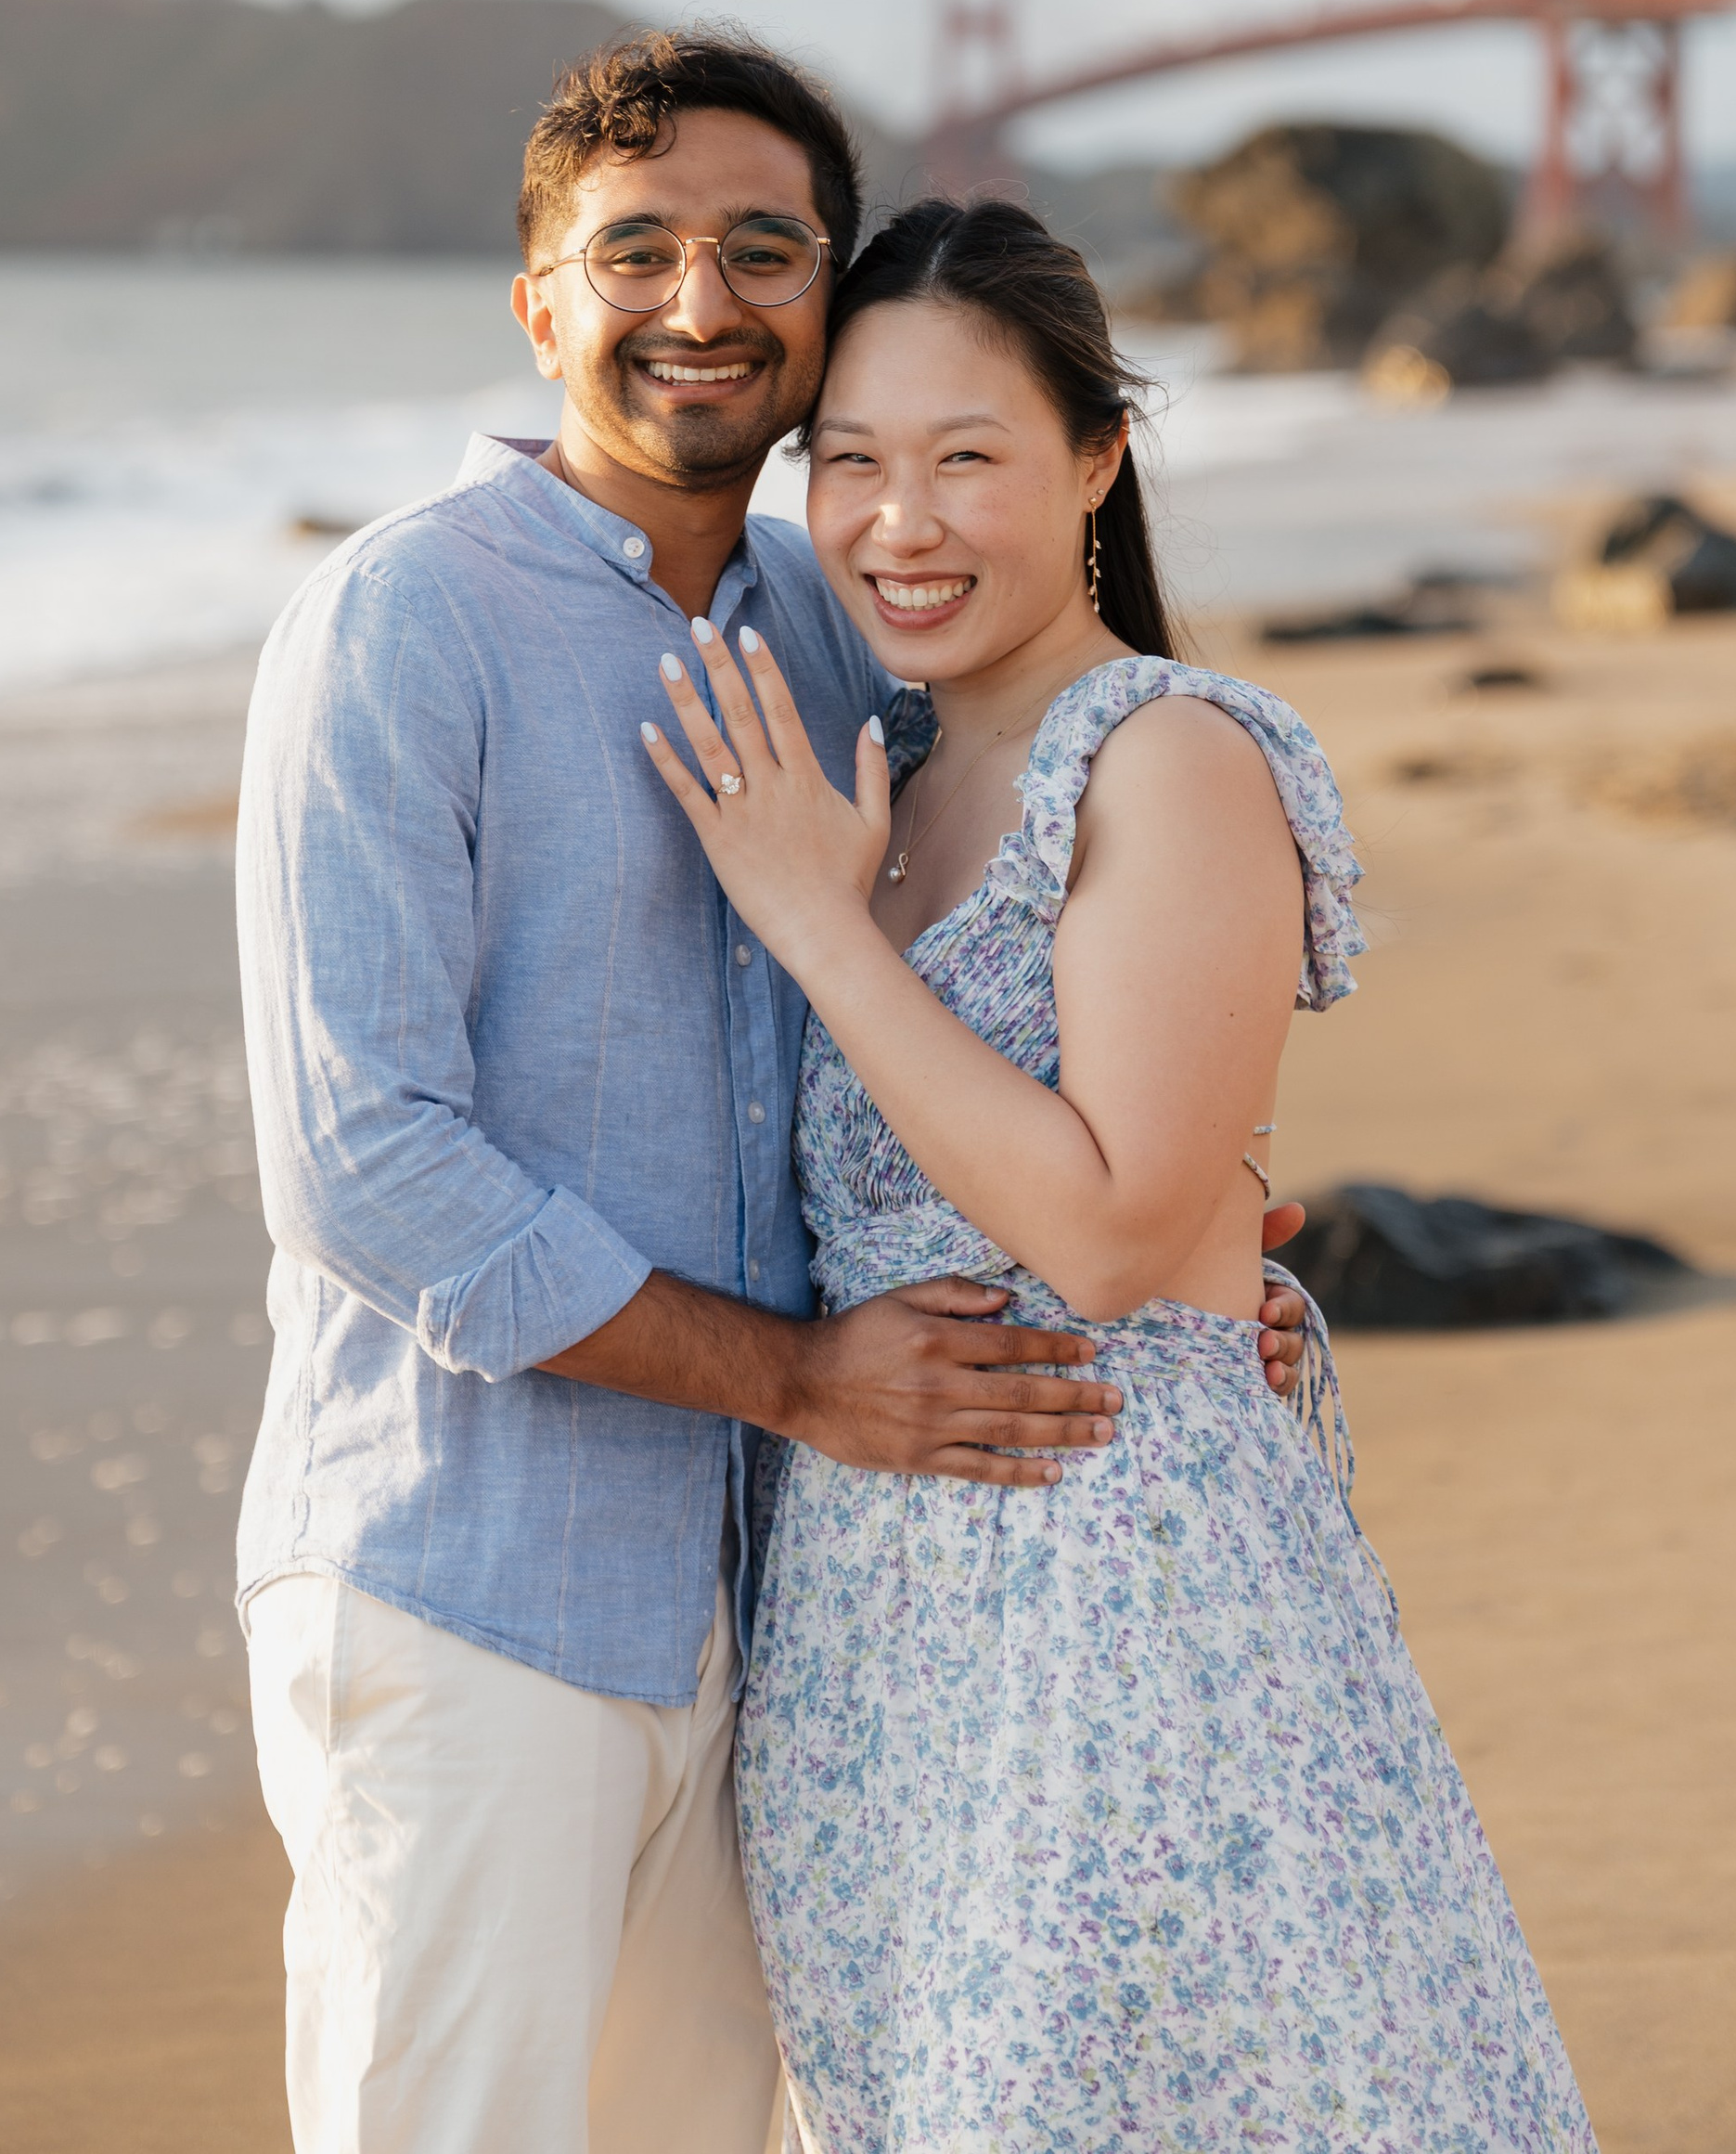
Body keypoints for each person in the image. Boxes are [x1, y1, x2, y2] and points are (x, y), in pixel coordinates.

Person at [234, 31, 1310, 2154]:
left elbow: (1011, 999)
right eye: (631, 252)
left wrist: (1185, 1263)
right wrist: (801, 1382)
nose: (698, 302)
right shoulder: (396, 627)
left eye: (757, 248)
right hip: (473, 1583)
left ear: (823, 299)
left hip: (778, 1615)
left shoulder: (843, 621)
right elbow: (361, 1165)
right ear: (538, 302)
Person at [641, 196, 1599, 2153]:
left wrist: (813, 929)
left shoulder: (1161, 759)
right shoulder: (871, 774)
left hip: (1120, 1600)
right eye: (850, 465)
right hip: (873, 1652)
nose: (897, 525)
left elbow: (1103, 1227)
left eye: (964, 459)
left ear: (1095, 457)